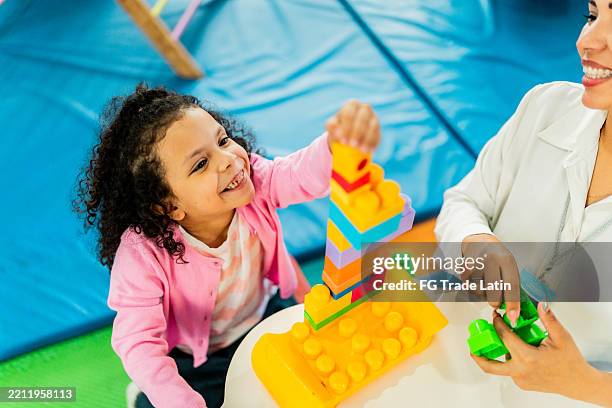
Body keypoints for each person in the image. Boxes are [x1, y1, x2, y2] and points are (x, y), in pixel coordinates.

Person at [74, 83, 381, 408]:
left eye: (222, 140)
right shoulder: (142, 255)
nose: (229, 160)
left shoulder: (255, 181)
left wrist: (335, 147)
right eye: (200, 164)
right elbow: (137, 342)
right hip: (199, 359)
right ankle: (143, 396)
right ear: (168, 206)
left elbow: (296, 174)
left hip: (264, 314)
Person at [435, 0, 612, 404]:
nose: (587, 40)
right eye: (592, 14)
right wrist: (474, 240)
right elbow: (462, 203)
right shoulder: (545, 108)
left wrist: (584, 383)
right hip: (450, 370)